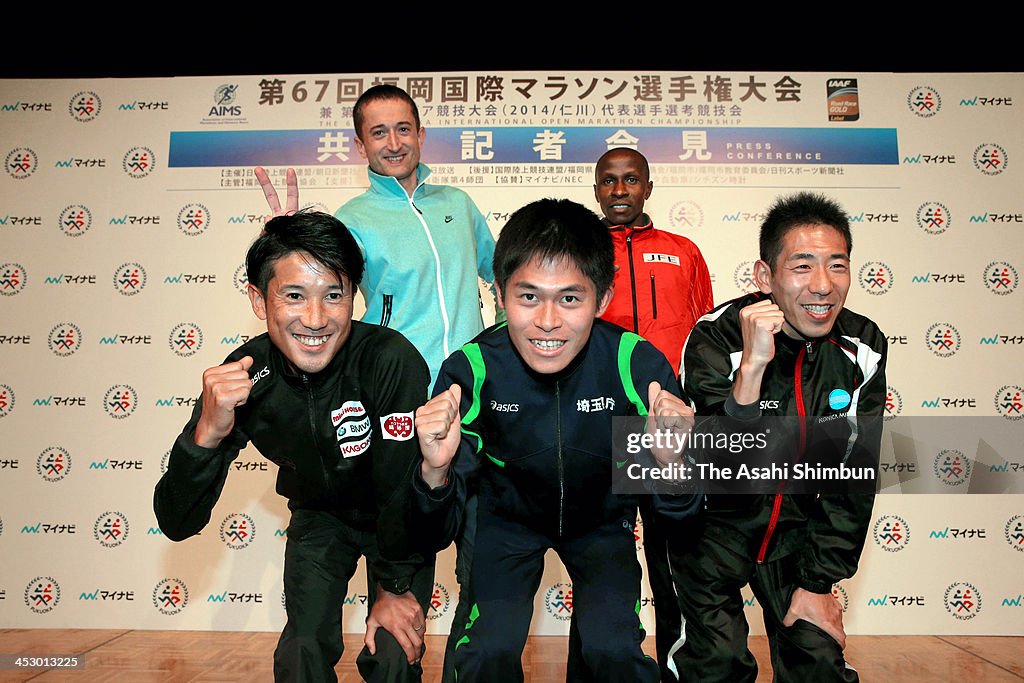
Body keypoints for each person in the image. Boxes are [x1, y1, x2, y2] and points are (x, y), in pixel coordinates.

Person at [255, 84, 497, 681]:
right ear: (359, 142)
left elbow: (504, 272)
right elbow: (327, 307)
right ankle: (384, 638)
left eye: (404, 128)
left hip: (470, 403)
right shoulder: (355, 220)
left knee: (480, 556)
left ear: (421, 132)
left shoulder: (458, 203)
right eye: (379, 132)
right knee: (391, 514)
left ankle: (466, 663)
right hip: (395, 399)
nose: (394, 142)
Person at [411, 198, 700, 683]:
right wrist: (434, 472)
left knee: (614, 653)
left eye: (570, 298)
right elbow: (430, 533)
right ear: (500, 293)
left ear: (603, 298)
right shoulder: (472, 370)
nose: (548, 321)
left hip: (601, 524)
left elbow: (684, 521)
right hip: (506, 525)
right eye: (528, 297)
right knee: (486, 652)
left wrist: (672, 463)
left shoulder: (636, 364)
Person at [154, 211, 434, 683]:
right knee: (301, 648)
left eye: (333, 295)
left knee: (392, 652)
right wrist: (207, 432)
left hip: (397, 520)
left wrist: (396, 586)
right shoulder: (245, 373)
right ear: (259, 300)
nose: (315, 319)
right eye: (294, 296)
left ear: (353, 297)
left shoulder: (389, 358)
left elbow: (399, 487)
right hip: (319, 518)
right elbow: (176, 521)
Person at [671, 192, 887, 682]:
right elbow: (712, 457)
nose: (823, 286)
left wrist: (817, 582)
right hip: (712, 531)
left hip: (797, 537)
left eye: (838, 265)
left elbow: (853, 471)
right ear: (765, 277)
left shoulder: (863, 345)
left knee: (818, 665)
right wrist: (752, 366)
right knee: (716, 664)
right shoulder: (716, 335)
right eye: (802, 266)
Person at [592, 146, 714, 682]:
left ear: (647, 186)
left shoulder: (683, 251)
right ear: (596, 189)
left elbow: (706, 336)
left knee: (672, 565)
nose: (620, 191)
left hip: (669, 427)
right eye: (609, 181)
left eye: (630, 180)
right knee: (597, 561)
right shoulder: (582, 251)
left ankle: (675, 671)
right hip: (599, 423)